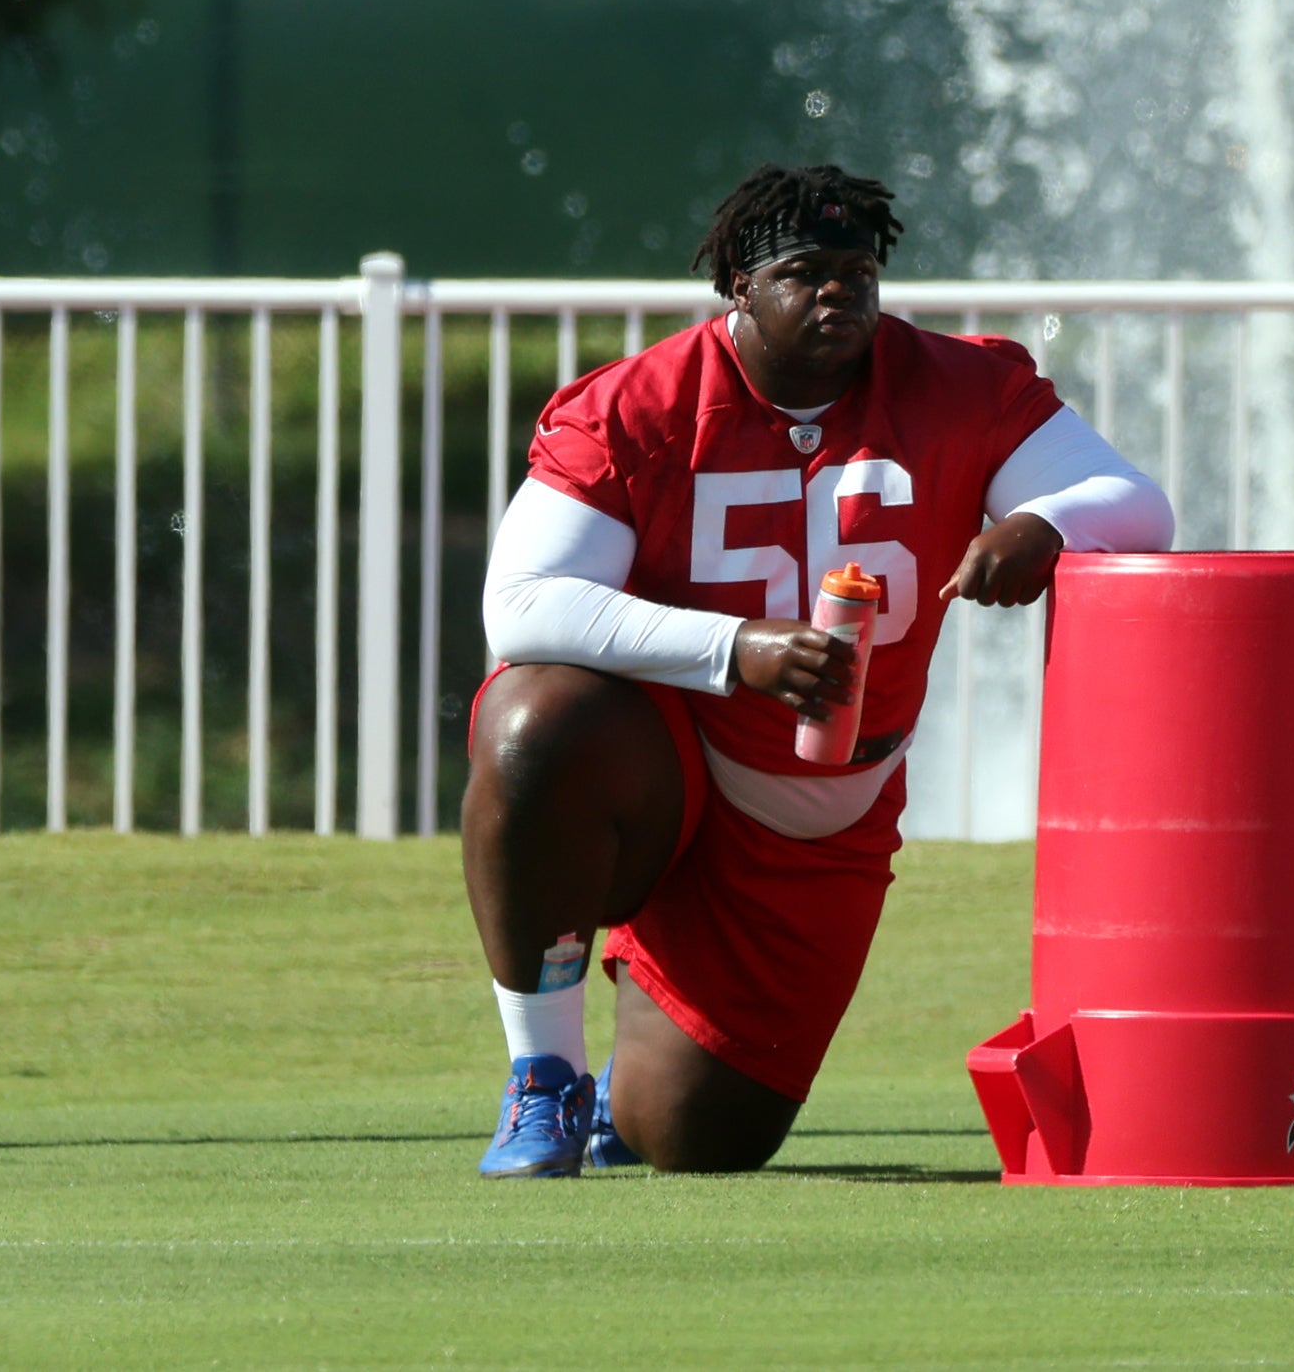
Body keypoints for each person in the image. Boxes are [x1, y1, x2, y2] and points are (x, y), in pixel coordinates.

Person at [464, 162, 1174, 1177]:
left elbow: (1136, 499)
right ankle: (543, 1074)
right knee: (533, 719)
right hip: (667, 761)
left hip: (821, 806)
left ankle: (636, 1070)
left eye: (859, 269)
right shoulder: (635, 404)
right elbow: (519, 604)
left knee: (701, 1140)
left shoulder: (959, 382)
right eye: (806, 271)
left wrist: (1044, 523)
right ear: (741, 289)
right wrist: (733, 650)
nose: (842, 291)